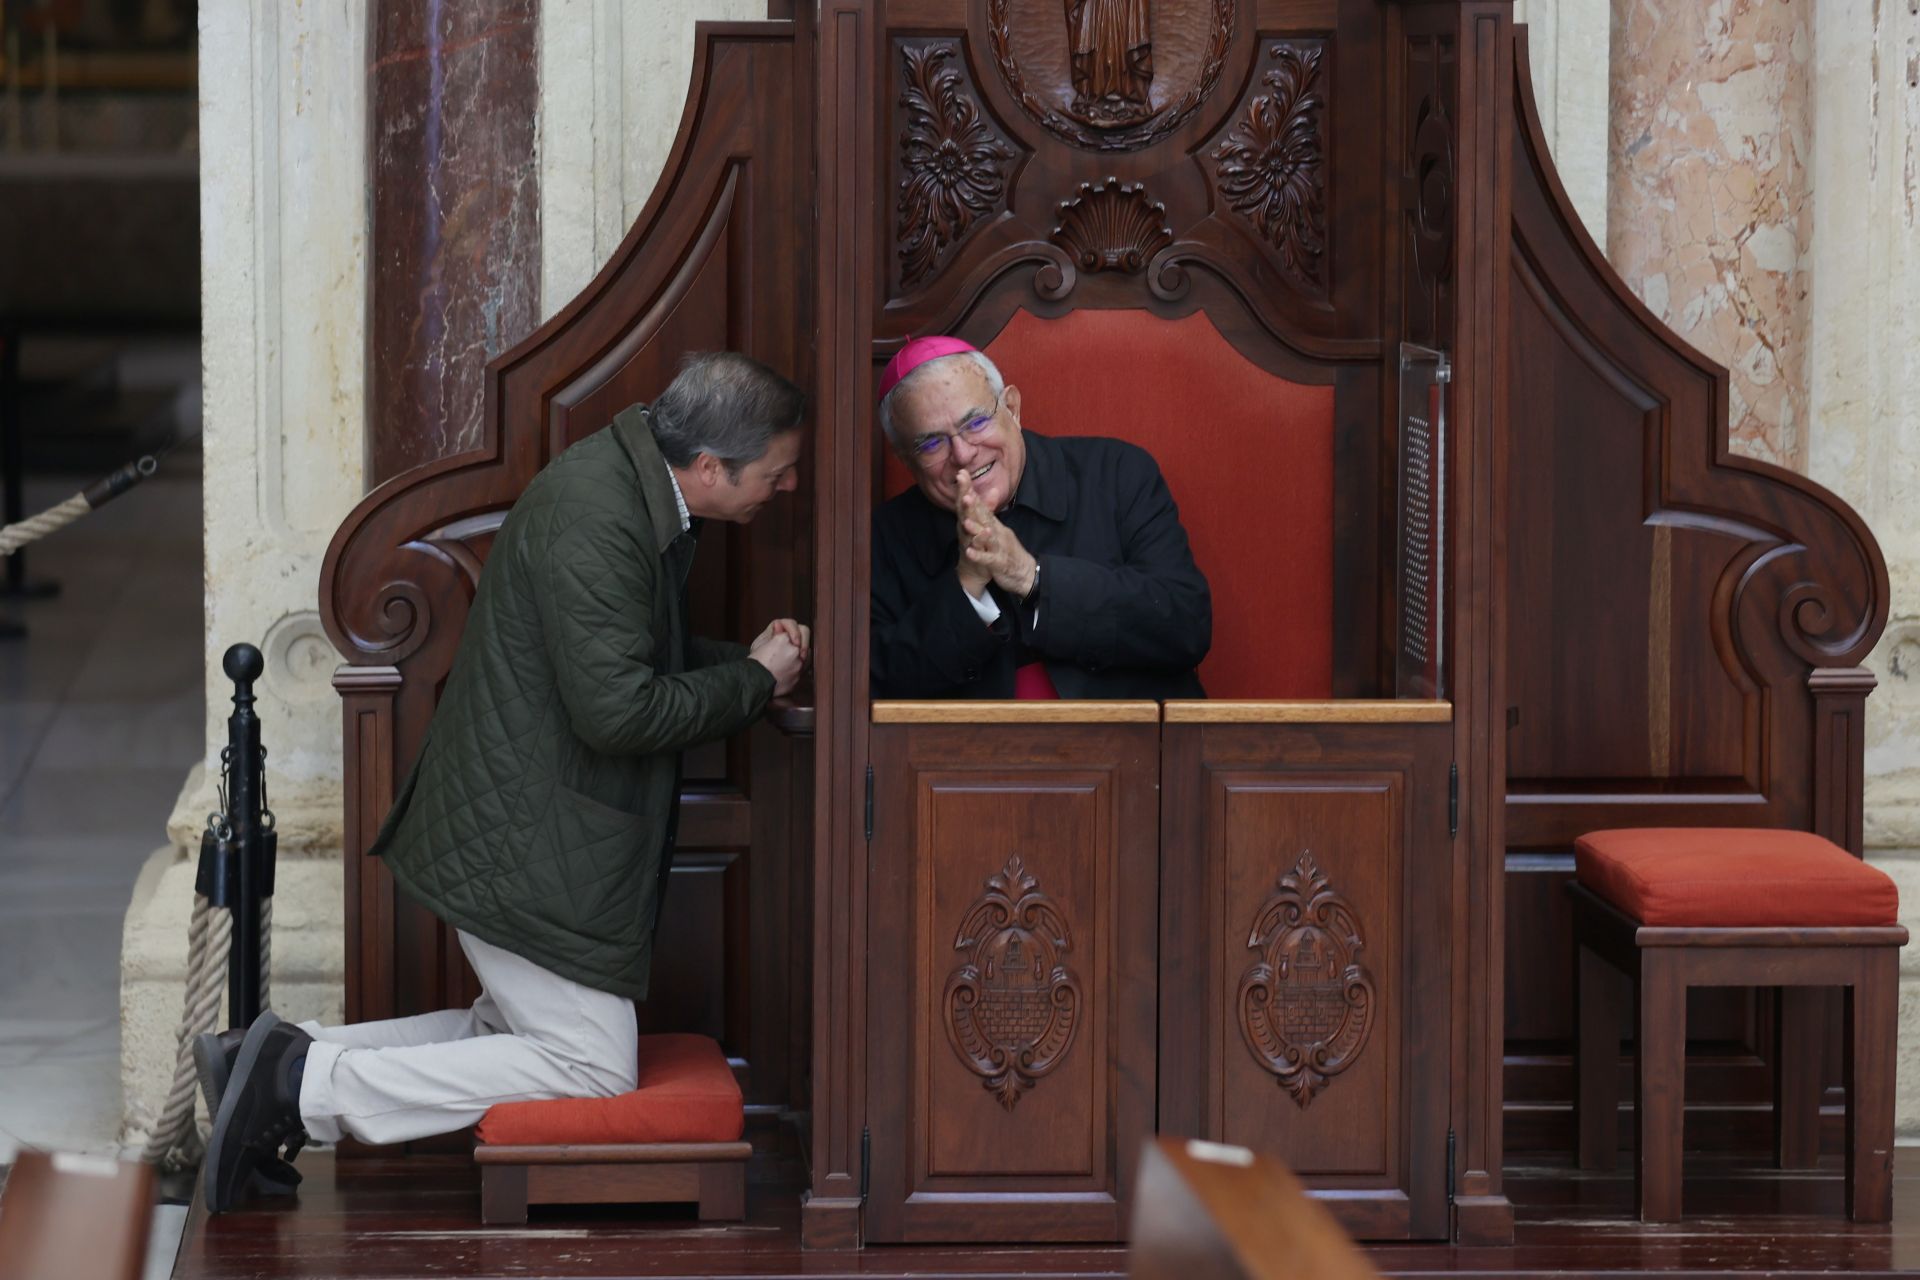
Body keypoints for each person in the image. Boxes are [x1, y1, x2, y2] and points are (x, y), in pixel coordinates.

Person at [197, 351, 811, 1213]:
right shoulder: (603, 516)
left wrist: (751, 663)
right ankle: (296, 1086)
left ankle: (277, 1059)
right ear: (710, 467)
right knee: (589, 1064)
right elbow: (618, 713)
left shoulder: (631, 486)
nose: (784, 491)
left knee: (517, 1035)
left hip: (527, 830)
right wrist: (752, 683)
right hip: (525, 844)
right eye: (777, 475)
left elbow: (625, 661)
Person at [870, 336, 1209, 700]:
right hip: (974, 756)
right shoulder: (886, 536)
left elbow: (1184, 626)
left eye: (976, 421)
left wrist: (1030, 577)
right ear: (906, 459)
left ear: (1012, 409)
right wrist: (966, 587)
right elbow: (876, 691)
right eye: (931, 444)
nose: (963, 453)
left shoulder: (1116, 474)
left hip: (1135, 748)